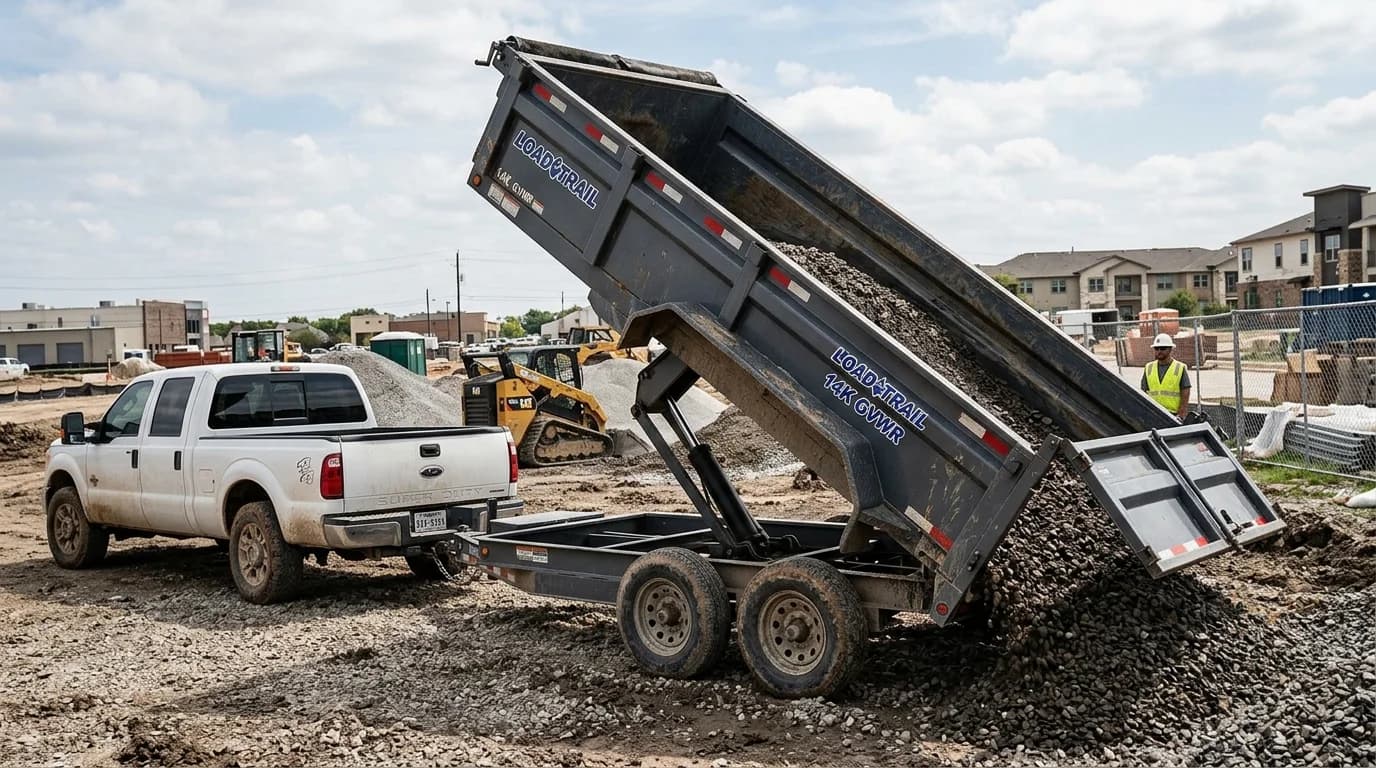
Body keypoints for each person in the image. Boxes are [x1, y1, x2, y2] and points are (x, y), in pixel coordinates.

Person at [1141, 333, 1191, 421]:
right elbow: (1143, 392)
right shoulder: (1149, 367)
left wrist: (1181, 414)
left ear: (1170, 349)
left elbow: (1185, 393)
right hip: (1153, 413)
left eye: (1163, 348)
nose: (1159, 351)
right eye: (1156, 348)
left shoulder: (1179, 368)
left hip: (1173, 415)